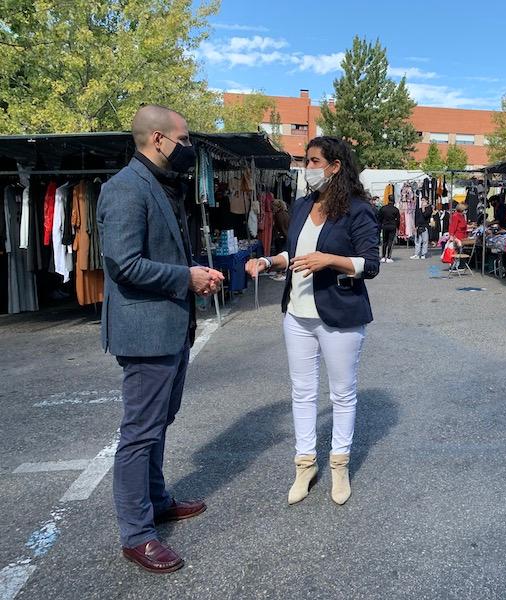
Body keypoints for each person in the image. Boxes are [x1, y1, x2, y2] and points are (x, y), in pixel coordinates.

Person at [97, 105, 224, 573]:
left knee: (159, 422)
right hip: (146, 333)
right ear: (157, 138)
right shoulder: (125, 188)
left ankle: (155, 499)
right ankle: (137, 534)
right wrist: (185, 278)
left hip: (171, 326)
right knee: (139, 432)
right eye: (184, 140)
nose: (189, 148)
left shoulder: (166, 186)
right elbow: (123, 264)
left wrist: (194, 275)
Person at [245, 136, 379, 506]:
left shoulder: (357, 209)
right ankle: (305, 465)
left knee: (342, 394)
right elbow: (295, 253)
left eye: (315, 161)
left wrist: (329, 260)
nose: (308, 168)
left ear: (335, 167)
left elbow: (370, 264)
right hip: (297, 313)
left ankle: (339, 466)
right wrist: (269, 262)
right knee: (302, 393)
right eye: (307, 161)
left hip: (340, 313)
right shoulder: (302, 205)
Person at [377, 196, 400, 263]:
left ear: (388, 200)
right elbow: (398, 220)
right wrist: (397, 227)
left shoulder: (383, 208)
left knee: (384, 242)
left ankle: (383, 257)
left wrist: (380, 225)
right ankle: (389, 257)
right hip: (392, 226)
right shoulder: (395, 209)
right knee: (390, 241)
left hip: (385, 226)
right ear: (394, 201)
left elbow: (379, 218)